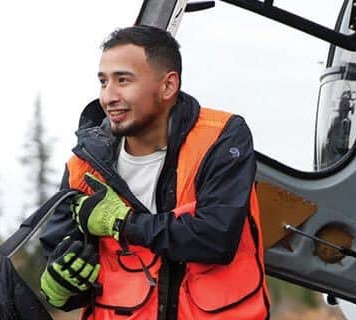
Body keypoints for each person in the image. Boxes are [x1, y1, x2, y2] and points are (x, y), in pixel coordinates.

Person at [39, 25, 270, 320]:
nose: (108, 96)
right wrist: (60, 287)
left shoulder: (221, 138)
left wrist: (122, 223)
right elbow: (62, 256)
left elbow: (215, 237)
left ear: (168, 86)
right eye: (103, 82)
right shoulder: (83, 166)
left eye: (123, 80)